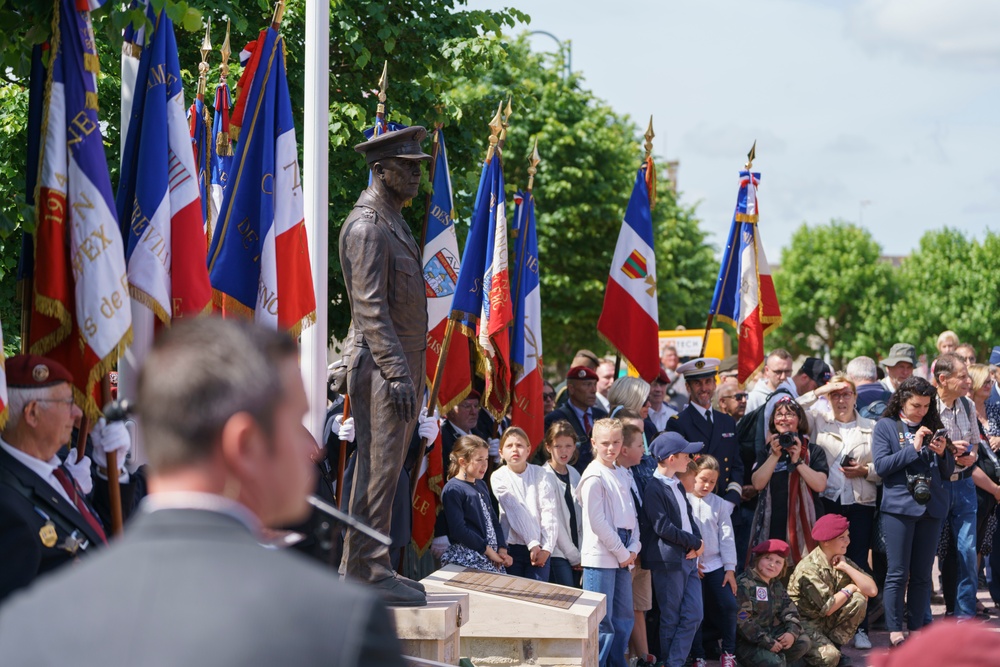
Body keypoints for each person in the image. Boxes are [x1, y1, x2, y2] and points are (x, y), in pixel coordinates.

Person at [0, 318, 406, 666]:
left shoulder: (26, 626)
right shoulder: (339, 628)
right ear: (244, 444)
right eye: (295, 423)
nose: (307, 448)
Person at [339, 125, 433, 606]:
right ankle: (369, 570)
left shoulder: (391, 219)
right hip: (383, 366)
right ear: (380, 170)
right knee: (377, 470)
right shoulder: (368, 227)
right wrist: (398, 372)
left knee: (387, 470)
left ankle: (362, 566)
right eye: (407, 166)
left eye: (418, 165)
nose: (417, 174)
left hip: (400, 362)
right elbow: (371, 310)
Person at [0, 355, 133, 603]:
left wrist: (110, 472)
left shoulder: (54, 472)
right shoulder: (6, 500)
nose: (76, 412)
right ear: (32, 413)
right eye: (67, 402)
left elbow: (103, 536)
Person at [872, 376, 954, 646]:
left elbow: (948, 471)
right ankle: (895, 631)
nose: (921, 411)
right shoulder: (886, 426)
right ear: (902, 401)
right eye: (916, 405)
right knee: (897, 573)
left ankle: (918, 632)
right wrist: (913, 446)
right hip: (899, 508)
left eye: (926, 406)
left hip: (931, 507)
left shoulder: (933, 425)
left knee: (921, 575)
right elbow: (882, 467)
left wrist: (943, 454)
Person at [799, 374, 879, 649]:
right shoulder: (819, 420)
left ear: (856, 397)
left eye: (846, 394)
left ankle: (860, 628)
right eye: (835, 395)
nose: (841, 400)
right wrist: (820, 390)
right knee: (827, 562)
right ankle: (826, 625)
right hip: (829, 501)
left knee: (856, 561)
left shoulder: (871, 426)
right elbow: (792, 408)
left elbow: (885, 466)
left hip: (860, 503)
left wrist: (864, 470)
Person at [578, 417, 639, 667]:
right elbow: (598, 522)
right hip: (603, 553)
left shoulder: (622, 473)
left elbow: (632, 516)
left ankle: (617, 663)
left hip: (623, 549)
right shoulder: (594, 476)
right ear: (593, 443)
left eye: (615, 442)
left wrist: (634, 547)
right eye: (605, 443)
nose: (611, 448)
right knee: (602, 621)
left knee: (624, 616)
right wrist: (622, 551)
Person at [641, 432, 704, 667]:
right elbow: (662, 526)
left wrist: (697, 541)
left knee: (694, 614)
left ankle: (673, 662)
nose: (690, 458)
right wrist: (693, 542)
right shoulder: (654, 488)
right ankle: (671, 662)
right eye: (686, 454)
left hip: (688, 557)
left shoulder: (676, 483)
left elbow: (688, 517)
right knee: (671, 617)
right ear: (670, 458)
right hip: (670, 561)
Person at [788, 514, 877, 667]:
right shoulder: (809, 568)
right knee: (829, 658)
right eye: (842, 538)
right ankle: (802, 659)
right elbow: (827, 608)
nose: (848, 541)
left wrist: (846, 567)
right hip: (803, 624)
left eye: (847, 536)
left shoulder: (840, 559)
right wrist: (850, 588)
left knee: (859, 599)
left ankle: (834, 647)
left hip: (823, 622)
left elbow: (872, 590)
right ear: (826, 541)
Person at [931, 353, 981, 620]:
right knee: (927, 553)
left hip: (964, 486)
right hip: (936, 487)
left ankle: (965, 616)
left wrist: (970, 454)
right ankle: (921, 618)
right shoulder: (927, 407)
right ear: (943, 379)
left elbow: (974, 443)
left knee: (967, 551)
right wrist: (949, 450)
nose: (968, 381)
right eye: (962, 376)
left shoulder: (968, 405)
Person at [750, 397, 829, 563]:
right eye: (779, 414)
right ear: (773, 421)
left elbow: (820, 485)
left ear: (799, 420)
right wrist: (774, 456)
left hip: (806, 525)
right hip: (772, 523)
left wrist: (797, 461)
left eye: (790, 414)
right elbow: (758, 483)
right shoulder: (766, 451)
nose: (784, 418)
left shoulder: (814, 451)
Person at [666, 357, 744, 508]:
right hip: (694, 505)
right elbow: (676, 468)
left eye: (708, 381)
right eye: (697, 383)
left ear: (715, 384)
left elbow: (736, 465)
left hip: (726, 503)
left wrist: (731, 500)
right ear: (688, 387)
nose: (704, 388)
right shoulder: (678, 423)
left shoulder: (727, 421)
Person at [683, 456, 738, 667]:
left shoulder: (720, 504)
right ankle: (698, 655)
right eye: (703, 479)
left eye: (712, 482)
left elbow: (727, 537)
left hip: (715, 564)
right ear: (693, 476)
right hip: (691, 565)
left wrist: (730, 569)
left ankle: (729, 653)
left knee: (729, 605)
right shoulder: (684, 499)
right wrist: (693, 564)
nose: (706, 485)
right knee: (697, 610)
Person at [490, 427, 558, 581]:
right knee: (515, 597)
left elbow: (549, 512)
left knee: (537, 595)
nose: (515, 449)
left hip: (540, 547)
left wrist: (547, 548)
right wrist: (531, 542)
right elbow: (514, 509)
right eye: (509, 446)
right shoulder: (498, 476)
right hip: (512, 548)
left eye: (520, 445)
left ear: (528, 450)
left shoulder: (541, 474)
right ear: (501, 452)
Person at [440, 435, 512, 573]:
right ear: (462, 462)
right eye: (479, 460)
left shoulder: (481, 484)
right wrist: (487, 550)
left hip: (491, 557)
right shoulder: (453, 489)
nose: (485, 465)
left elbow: (492, 520)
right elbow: (459, 530)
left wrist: (502, 549)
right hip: (468, 557)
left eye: (486, 459)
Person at [736, 539, 812, 667]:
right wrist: (767, 642)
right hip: (747, 643)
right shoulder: (744, 584)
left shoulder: (776, 585)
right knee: (775, 663)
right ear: (758, 559)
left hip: (770, 635)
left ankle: (776, 661)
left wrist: (791, 633)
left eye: (778, 562)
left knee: (803, 642)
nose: (772, 565)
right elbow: (742, 621)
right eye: (768, 558)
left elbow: (790, 612)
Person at [617, 423, 656, 667]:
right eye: (640, 445)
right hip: (623, 553)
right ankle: (620, 659)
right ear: (624, 449)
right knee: (620, 610)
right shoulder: (614, 474)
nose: (645, 450)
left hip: (640, 548)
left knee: (639, 606)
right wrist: (627, 550)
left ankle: (643, 658)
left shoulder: (634, 472)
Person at [541, 420, 582, 587]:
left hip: (578, 550)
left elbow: (581, 515)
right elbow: (553, 521)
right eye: (558, 446)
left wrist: (580, 552)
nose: (564, 451)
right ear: (548, 447)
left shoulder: (574, 473)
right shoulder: (543, 476)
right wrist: (573, 556)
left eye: (568, 446)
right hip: (558, 552)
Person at [546, 366, 609, 473]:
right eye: (587, 385)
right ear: (571, 389)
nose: (593, 390)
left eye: (594, 384)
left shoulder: (602, 416)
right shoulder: (555, 419)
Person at [607, 376, 657, 445]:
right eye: (645, 400)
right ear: (630, 401)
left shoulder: (649, 428)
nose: (649, 405)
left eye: (649, 399)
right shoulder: (606, 429)